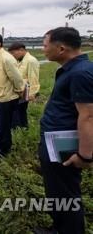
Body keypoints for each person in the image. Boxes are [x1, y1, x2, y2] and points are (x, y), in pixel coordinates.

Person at [38, 27, 92, 234]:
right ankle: (59, 228)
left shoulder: (80, 73)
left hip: (65, 146)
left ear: (60, 48)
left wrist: (85, 156)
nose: (43, 50)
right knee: (58, 190)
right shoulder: (74, 70)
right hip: (56, 143)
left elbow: (88, 116)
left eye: (45, 45)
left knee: (66, 194)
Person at [0, 34, 25, 157]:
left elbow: (17, 78)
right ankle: (0, 147)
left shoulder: (6, 58)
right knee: (0, 125)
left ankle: (4, 151)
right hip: (0, 97)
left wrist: (19, 91)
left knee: (4, 126)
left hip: (6, 98)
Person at [8, 42, 40, 129]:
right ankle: (22, 127)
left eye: (13, 53)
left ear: (21, 50)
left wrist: (32, 93)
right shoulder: (20, 60)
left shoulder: (31, 60)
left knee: (19, 110)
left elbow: (33, 77)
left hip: (25, 90)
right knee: (18, 110)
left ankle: (19, 128)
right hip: (19, 91)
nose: (13, 56)